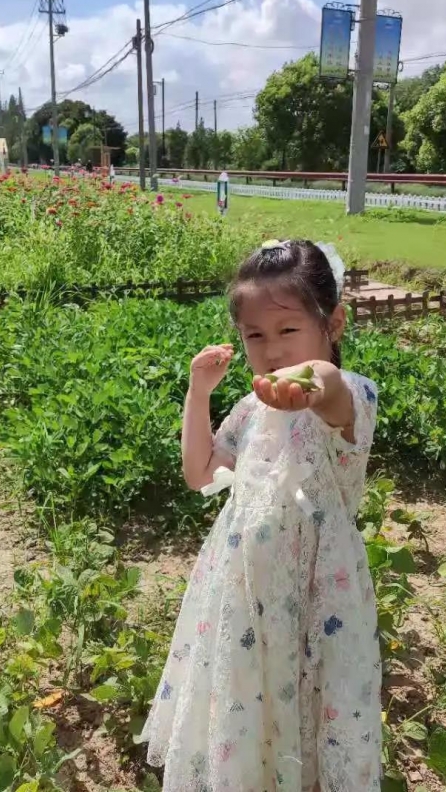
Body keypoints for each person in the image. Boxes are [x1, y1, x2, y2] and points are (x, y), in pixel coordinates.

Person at [140, 239, 382, 791]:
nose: (272, 352)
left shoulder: (349, 397)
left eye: (288, 330)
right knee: (249, 702)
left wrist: (311, 381)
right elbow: (202, 472)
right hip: (244, 591)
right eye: (256, 336)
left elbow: (329, 385)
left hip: (322, 592)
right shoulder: (249, 410)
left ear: (334, 323)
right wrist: (198, 392)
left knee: (321, 698)